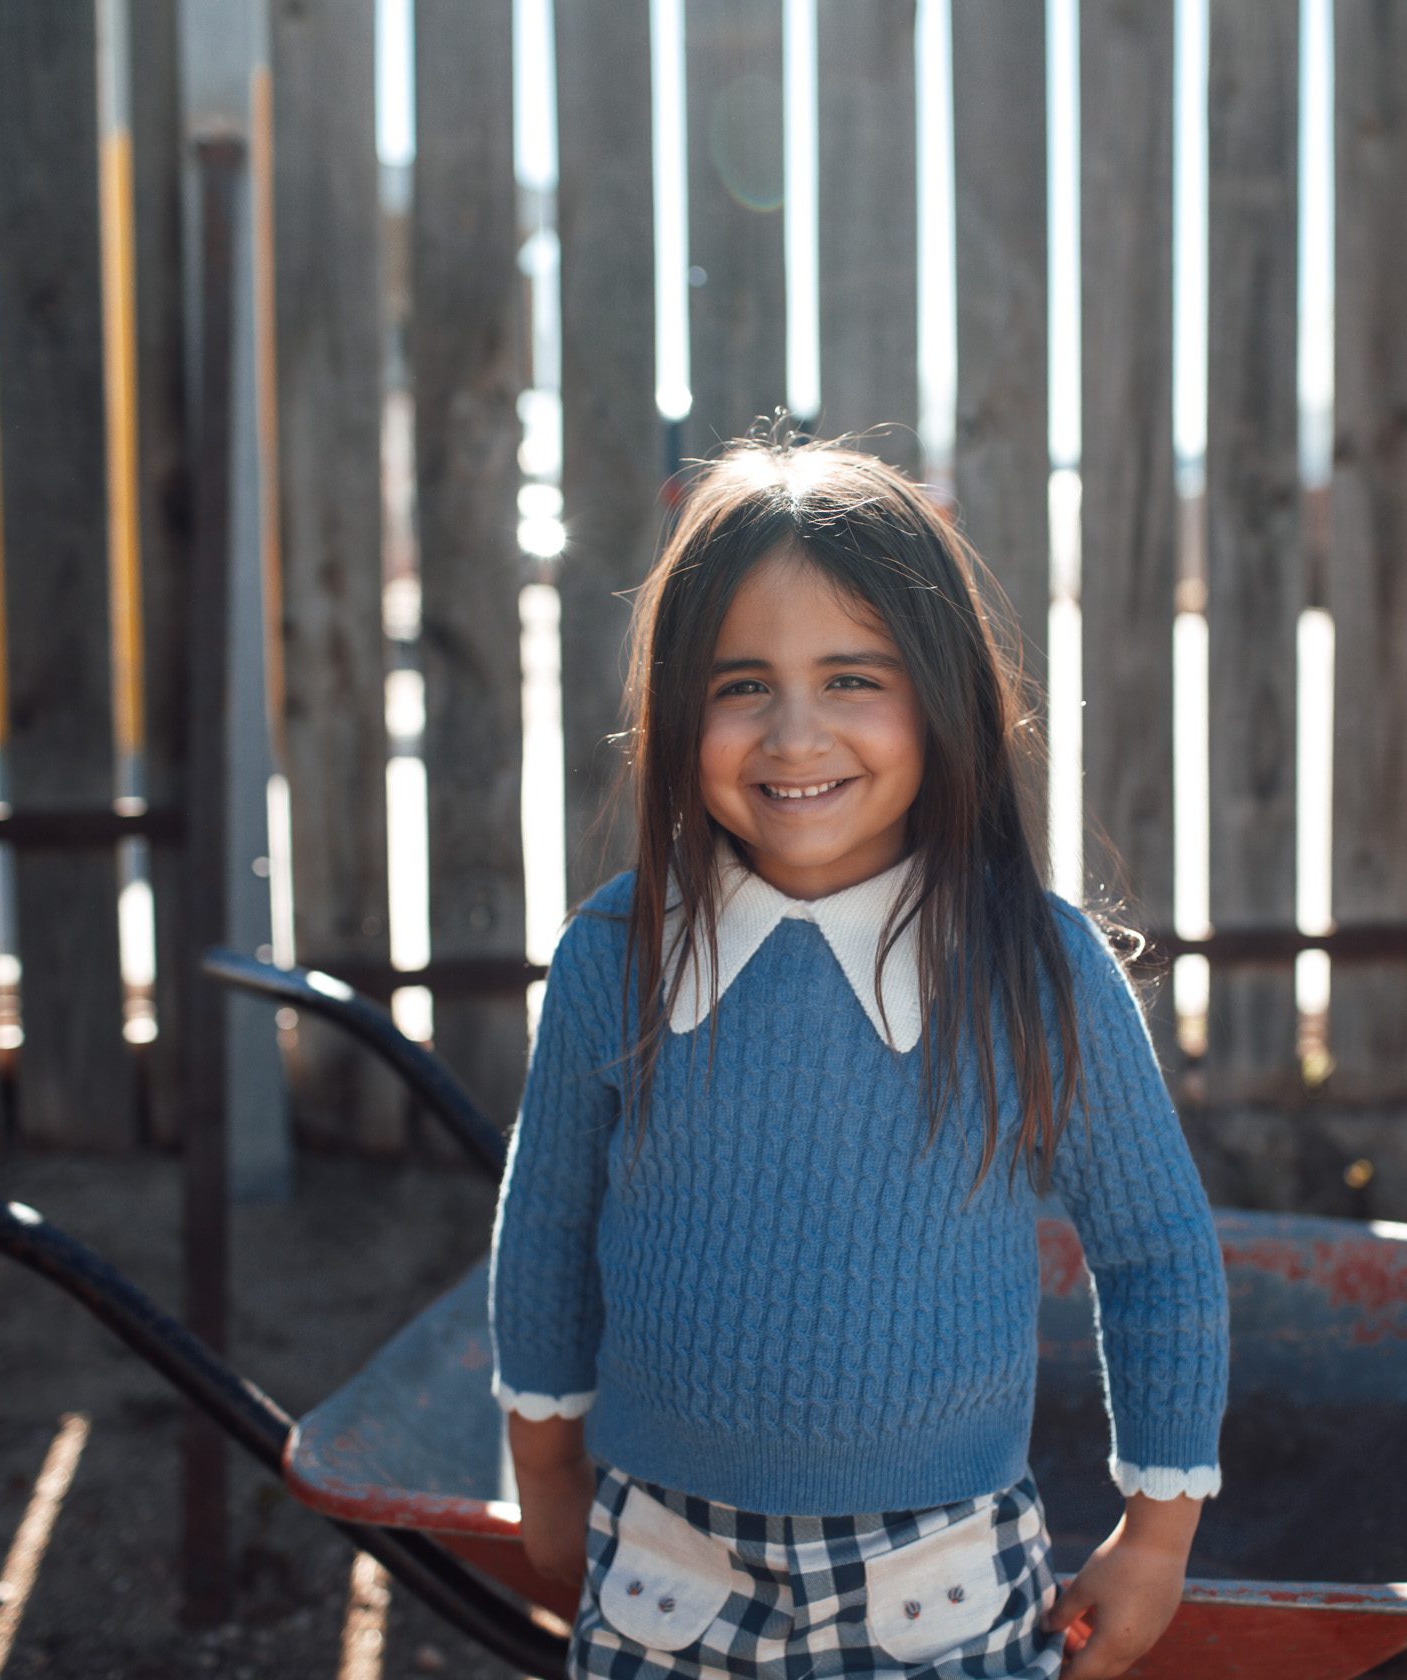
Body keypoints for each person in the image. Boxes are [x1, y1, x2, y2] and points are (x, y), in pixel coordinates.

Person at [489, 432, 1230, 1680]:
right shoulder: (615, 953)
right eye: (741, 686)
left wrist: (1157, 1536)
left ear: (943, 698)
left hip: (937, 1572)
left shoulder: (1032, 969)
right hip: (667, 1557)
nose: (793, 735)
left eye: (850, 678)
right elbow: (549, 1224)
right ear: (679, 709)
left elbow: (1156, 1256)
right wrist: (546, 1472)